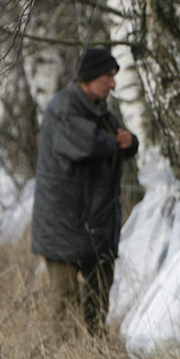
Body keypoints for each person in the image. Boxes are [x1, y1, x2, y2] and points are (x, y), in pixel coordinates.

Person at [31, 47, 139, 337]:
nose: (113, 84)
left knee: (99, 292)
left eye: (114, 77)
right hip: (64, 223)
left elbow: (119, 139)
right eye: (108, 77)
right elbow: (88, 145)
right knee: (64, 302)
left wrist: (130, 141)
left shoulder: (99, 108)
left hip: (95, 222)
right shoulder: (63, 108)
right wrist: (114, 142)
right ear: (90, 77)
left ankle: (93, 351)